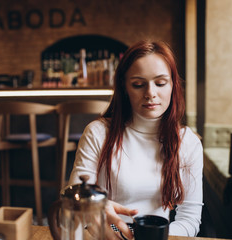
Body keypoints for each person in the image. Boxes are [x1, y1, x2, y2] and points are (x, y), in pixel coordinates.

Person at [67, 40, 203, 239]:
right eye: (138, 84)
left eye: (160, 83)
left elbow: (189, 219)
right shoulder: (98, 133)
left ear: (173, 85)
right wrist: (91, 211)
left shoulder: (188, 142)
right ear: (124, 87)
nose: (150, 93)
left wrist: (152, 237)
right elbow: (73, 203)